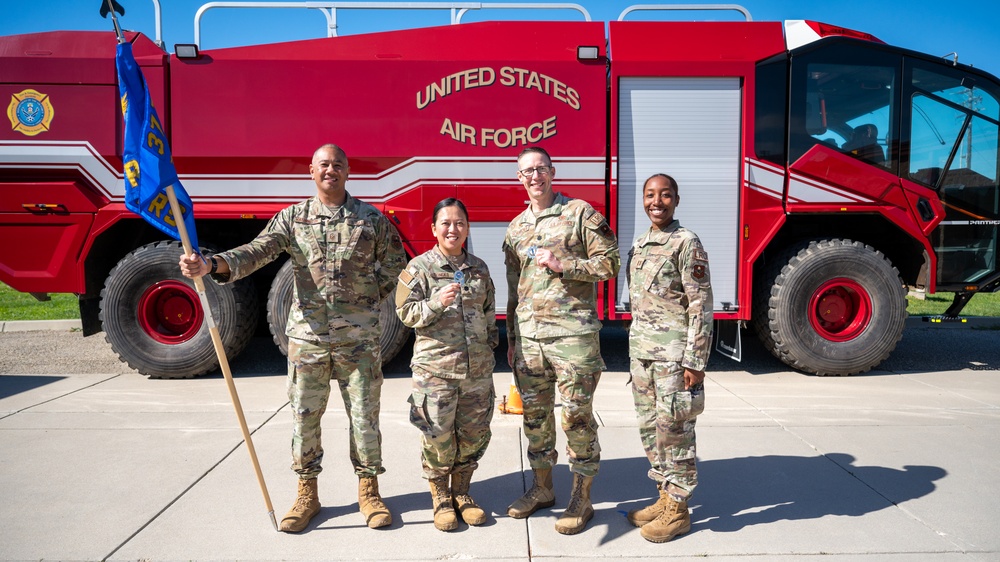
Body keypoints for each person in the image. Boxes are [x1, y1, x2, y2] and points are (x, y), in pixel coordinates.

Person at [178, 144, 405, 533]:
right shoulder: (294, 218)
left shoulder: (371, 220)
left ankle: (369, 491)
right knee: (304, 418)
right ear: (312, 173)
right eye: (323, 165)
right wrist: (211, 264)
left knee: (364, 418)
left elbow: (397, 265)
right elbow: (256, 252)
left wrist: (368, 298)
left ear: (348, 172)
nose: (330, 170)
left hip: (359, 341)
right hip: (309, 340)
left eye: (337, 165)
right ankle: (307, 494)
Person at [502, 146, 620, 535]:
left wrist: (563, 263)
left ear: (552, 172)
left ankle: (581, 497)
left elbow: (611, 262)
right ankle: (542, 488)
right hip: (530, 340)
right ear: (519, 179)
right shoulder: (516, 228)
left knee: (575, 418)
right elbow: (513, 288)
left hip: (571, 338)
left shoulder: (580, 213)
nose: (534, 176)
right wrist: (513, 337)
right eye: (526, 172)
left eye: (540, 169)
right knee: (535, 419)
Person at [395, 198, 498, 532]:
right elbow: (405, 314)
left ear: (467, 228)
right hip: (436, 371)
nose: (453, 229)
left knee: (474, 434)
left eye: (460, 223)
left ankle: (463, 492)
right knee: (438, 436)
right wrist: (435, 303)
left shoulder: (480, 268)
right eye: (446, 223)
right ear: (434, 229)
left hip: (476, 373)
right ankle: (440, 497)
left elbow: (489, 315)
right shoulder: (418, 268)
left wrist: (488, 351)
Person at [625, 173, 713, 543]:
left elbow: (701, 305)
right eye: (649, 195)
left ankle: (678, 509)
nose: (656, 202)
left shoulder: (686, 242)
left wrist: (695, 360)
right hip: (643, 355)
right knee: (651, 431)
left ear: (676, 200)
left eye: (664, 195)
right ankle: (664, 495)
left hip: (674, 358)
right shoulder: (641, 243)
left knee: (674, 431)